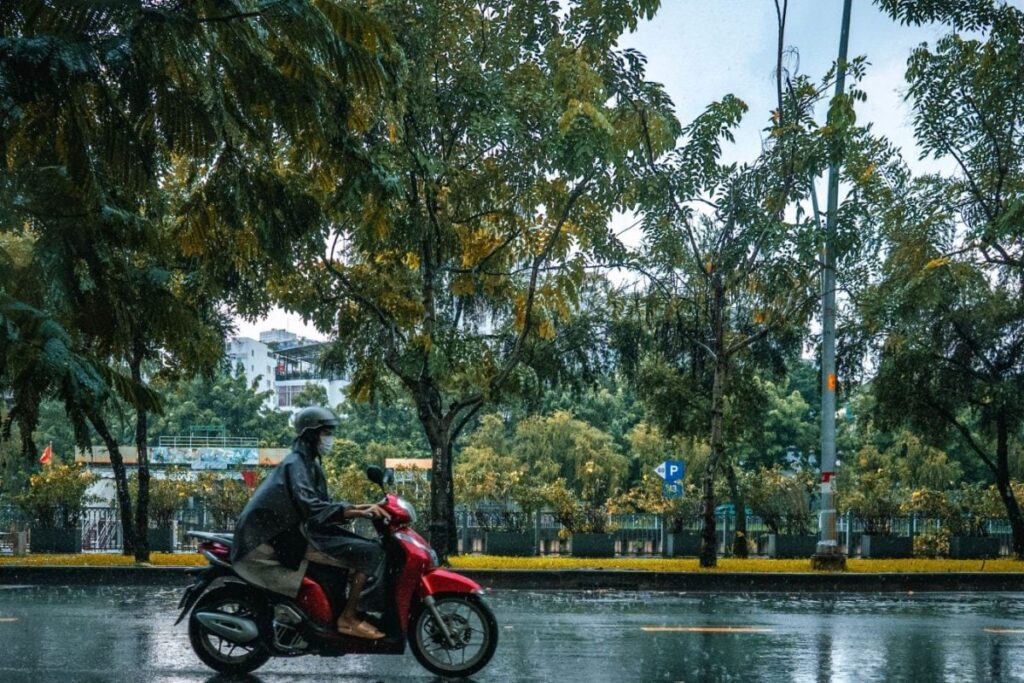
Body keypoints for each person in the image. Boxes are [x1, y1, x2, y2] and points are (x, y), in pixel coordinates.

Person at [231, 406, 391, 639]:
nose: (330, 439)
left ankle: (344, 608)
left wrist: (362, 507)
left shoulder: (308, 463)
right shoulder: (296, 464)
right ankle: (347, 618)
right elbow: (313, 508)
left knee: (360, 546)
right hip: (276, 538)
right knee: (368, 553)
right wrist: (357, 512)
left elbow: (323, 505)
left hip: (296, 532)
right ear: (311, 434)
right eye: (326, 433)